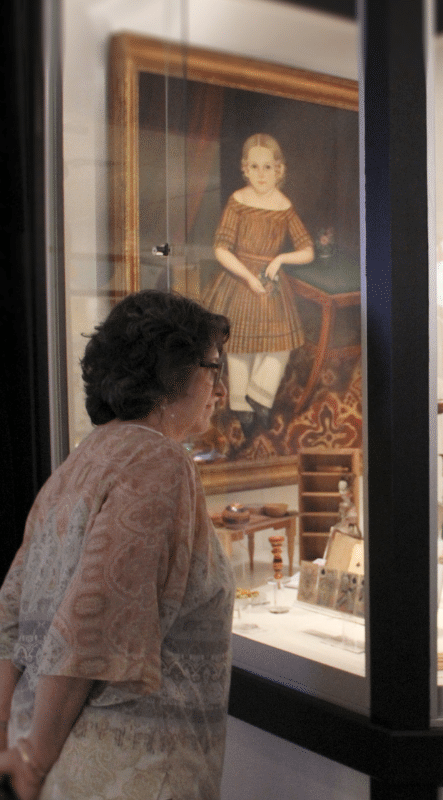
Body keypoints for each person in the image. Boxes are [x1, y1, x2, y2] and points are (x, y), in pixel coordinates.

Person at [0, 290, 234, 800]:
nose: (220, 386)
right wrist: (35, 761)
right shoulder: (161, 463)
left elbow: (11, 618)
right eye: (213, 367)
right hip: (130, 771)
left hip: (56, 762)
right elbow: (91, 623)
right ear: (172, 371)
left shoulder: (77, 465)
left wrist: (11, 747)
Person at [202, 133, 314, 433]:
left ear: (279, 170)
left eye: (268, 167)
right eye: (255, 167)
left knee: (280, 346)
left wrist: (279, 261)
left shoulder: (284, 205)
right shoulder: (238, 201)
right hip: (240, 279)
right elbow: (221, 248)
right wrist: (250, 277)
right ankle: (240, 405)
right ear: (245, 169)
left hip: (272, 284)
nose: (261, 174)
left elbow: (307, 250)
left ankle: (260, 396)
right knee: (240, 346)